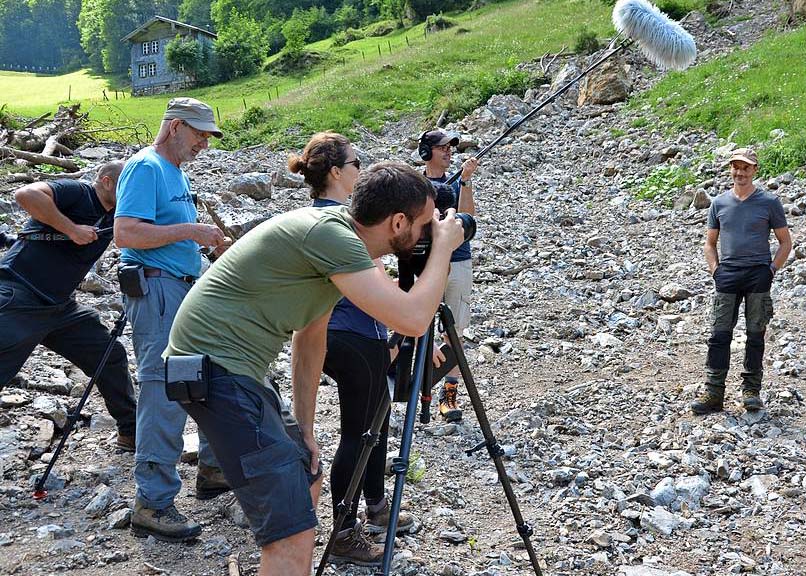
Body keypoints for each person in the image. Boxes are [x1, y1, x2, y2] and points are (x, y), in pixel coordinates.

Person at [164, 161, 465, 575]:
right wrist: (445, 250)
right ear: (398, 222)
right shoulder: (332, 237)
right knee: (289, 535)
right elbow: (412, 319)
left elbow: (310, 339)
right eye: (425, 224)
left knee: (307, 474)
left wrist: (304, 431)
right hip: (215, 370)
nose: (430, 233)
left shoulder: (336, 239)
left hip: (229, 369)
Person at [288, 133, 417, 566]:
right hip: (351, 333)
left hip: (347, 333)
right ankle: (344, 533)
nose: (361, 170)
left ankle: (375, 505)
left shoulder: (323, 217)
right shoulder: (339, 223)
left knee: (374, 419)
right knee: (359, 431)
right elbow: (374, 285)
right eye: (356, 163)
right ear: (336, 172)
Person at [113, 97, 231, 542]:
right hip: (156, 290)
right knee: (163, 389)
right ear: (175, 126)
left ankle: (213, 470)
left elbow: (161, 232)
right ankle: (153, 503)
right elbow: (125, 233)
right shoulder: (145, 167)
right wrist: (192, 231)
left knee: (205, 374)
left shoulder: (175, 172)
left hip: (180, 287)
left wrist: (203, 246)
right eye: (199, 134)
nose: (204, 143)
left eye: (208, 136)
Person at [0, 162, 137, 449]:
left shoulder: (117, 215)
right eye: (128, 184)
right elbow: (25, 194)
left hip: (61, 308)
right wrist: (71, 229)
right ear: (107, 181)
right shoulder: (78, 192)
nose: (134, 191)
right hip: (19, 294)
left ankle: (131, 431)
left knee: (109, 355)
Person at [691, 147, 792, 415]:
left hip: (758, 274)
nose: (740, 172)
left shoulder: (769, 202)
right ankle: (714, 392)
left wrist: (771, 270)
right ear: (731, 169)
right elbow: (710, 243)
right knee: (719, 334)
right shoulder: (719, 203)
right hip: (728, 274)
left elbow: (785, 242)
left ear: (754, 170)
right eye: (736, 167)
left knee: (755, 334)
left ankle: (751, 392)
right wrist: (715, 271)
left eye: (746, 167)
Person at [418, 129, 479, 422]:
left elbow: (468, 218)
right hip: (427, 263)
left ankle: (448, 394)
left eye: (450, 147)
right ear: (426, 152)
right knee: (419, 326)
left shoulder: (456, 181)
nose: (448, 152)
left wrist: (465, 181)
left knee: (454, 331)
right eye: (442, 147)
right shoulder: (415, 185)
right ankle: (417, 388)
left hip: (459, 260)